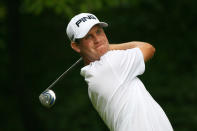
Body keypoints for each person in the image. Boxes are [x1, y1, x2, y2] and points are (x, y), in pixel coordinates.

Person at [66, 13, 173, 131]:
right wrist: (108, 46)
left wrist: (101, 47)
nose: (97, 39)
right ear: (76, 46)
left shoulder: (92, 78)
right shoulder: (110, 63)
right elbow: (148, 48)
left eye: (99, 32)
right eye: (88, 37)